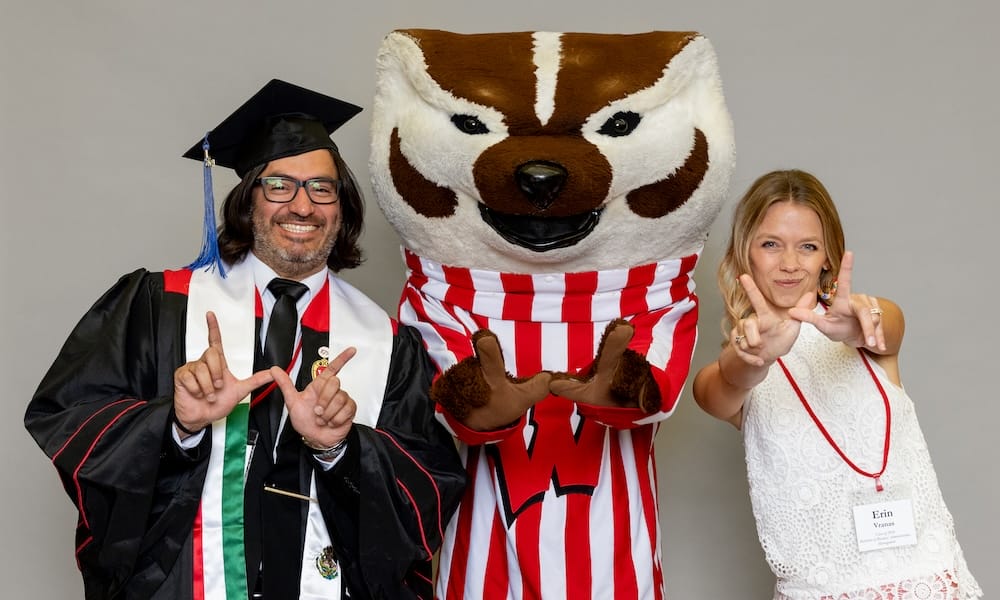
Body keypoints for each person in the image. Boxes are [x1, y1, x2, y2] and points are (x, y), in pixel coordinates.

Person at [24, 79, 466, 600]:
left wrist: (340, 449)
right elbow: (69, 420)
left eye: (321, 188)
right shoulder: (159, 304)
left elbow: (428, 489)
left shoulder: (389, 345)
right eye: (279, 185)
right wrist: (177, 424)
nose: (302, 206)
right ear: (248, 197)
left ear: (342, 207)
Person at [692, 169, 981, 599]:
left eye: (807, 247)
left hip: (930, 579)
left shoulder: (869, 326)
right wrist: (754, 357)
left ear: (828, 256)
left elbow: (886, 325)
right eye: (771, 244)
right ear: (744, 253)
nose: (790, 264)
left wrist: (855, 327)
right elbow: (720, 389)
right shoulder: (736, 364)